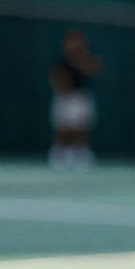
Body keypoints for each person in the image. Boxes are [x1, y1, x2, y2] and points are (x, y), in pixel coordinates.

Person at [48, 29, 102, 168]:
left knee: (80, 127)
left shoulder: (83, 60)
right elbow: (55, 78)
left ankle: (79, 154)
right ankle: (60, 154)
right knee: (63, 127)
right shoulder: (60, 62)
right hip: (64, 97)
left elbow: (94, 68)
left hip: (80, 97)